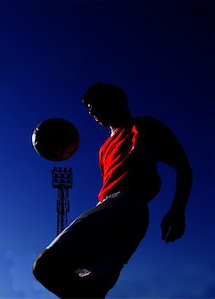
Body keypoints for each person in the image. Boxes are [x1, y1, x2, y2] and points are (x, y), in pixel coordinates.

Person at [32, 82, 192, 298]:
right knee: (94, 287)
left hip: (126, 206)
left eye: (95, 105)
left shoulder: (145, 126)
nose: (91, 112)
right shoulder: (104, 149)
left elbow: (183, 167)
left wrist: (177, 209)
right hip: (114, 209)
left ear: (116, 101)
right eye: (88, 108)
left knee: (46, 267)